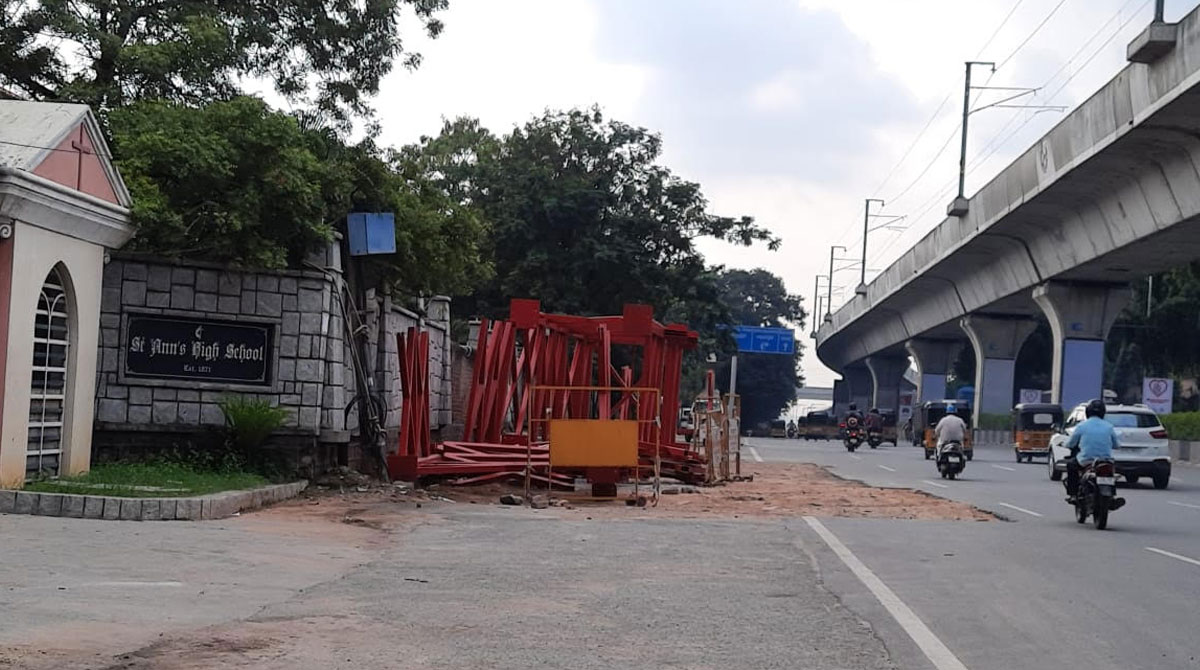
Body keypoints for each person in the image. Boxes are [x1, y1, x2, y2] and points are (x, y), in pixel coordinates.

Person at [1064, 398, 1120, 504]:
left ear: (1088, 412)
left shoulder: (1081, 426)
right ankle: (1112, 498)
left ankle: (1073, 495)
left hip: (1086, 460)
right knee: (1111, 473)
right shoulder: (1109, 426)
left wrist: (1065, 444)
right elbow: (1116, 445)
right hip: (1105, 460)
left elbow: (1071, 443)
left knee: (1071, 466)